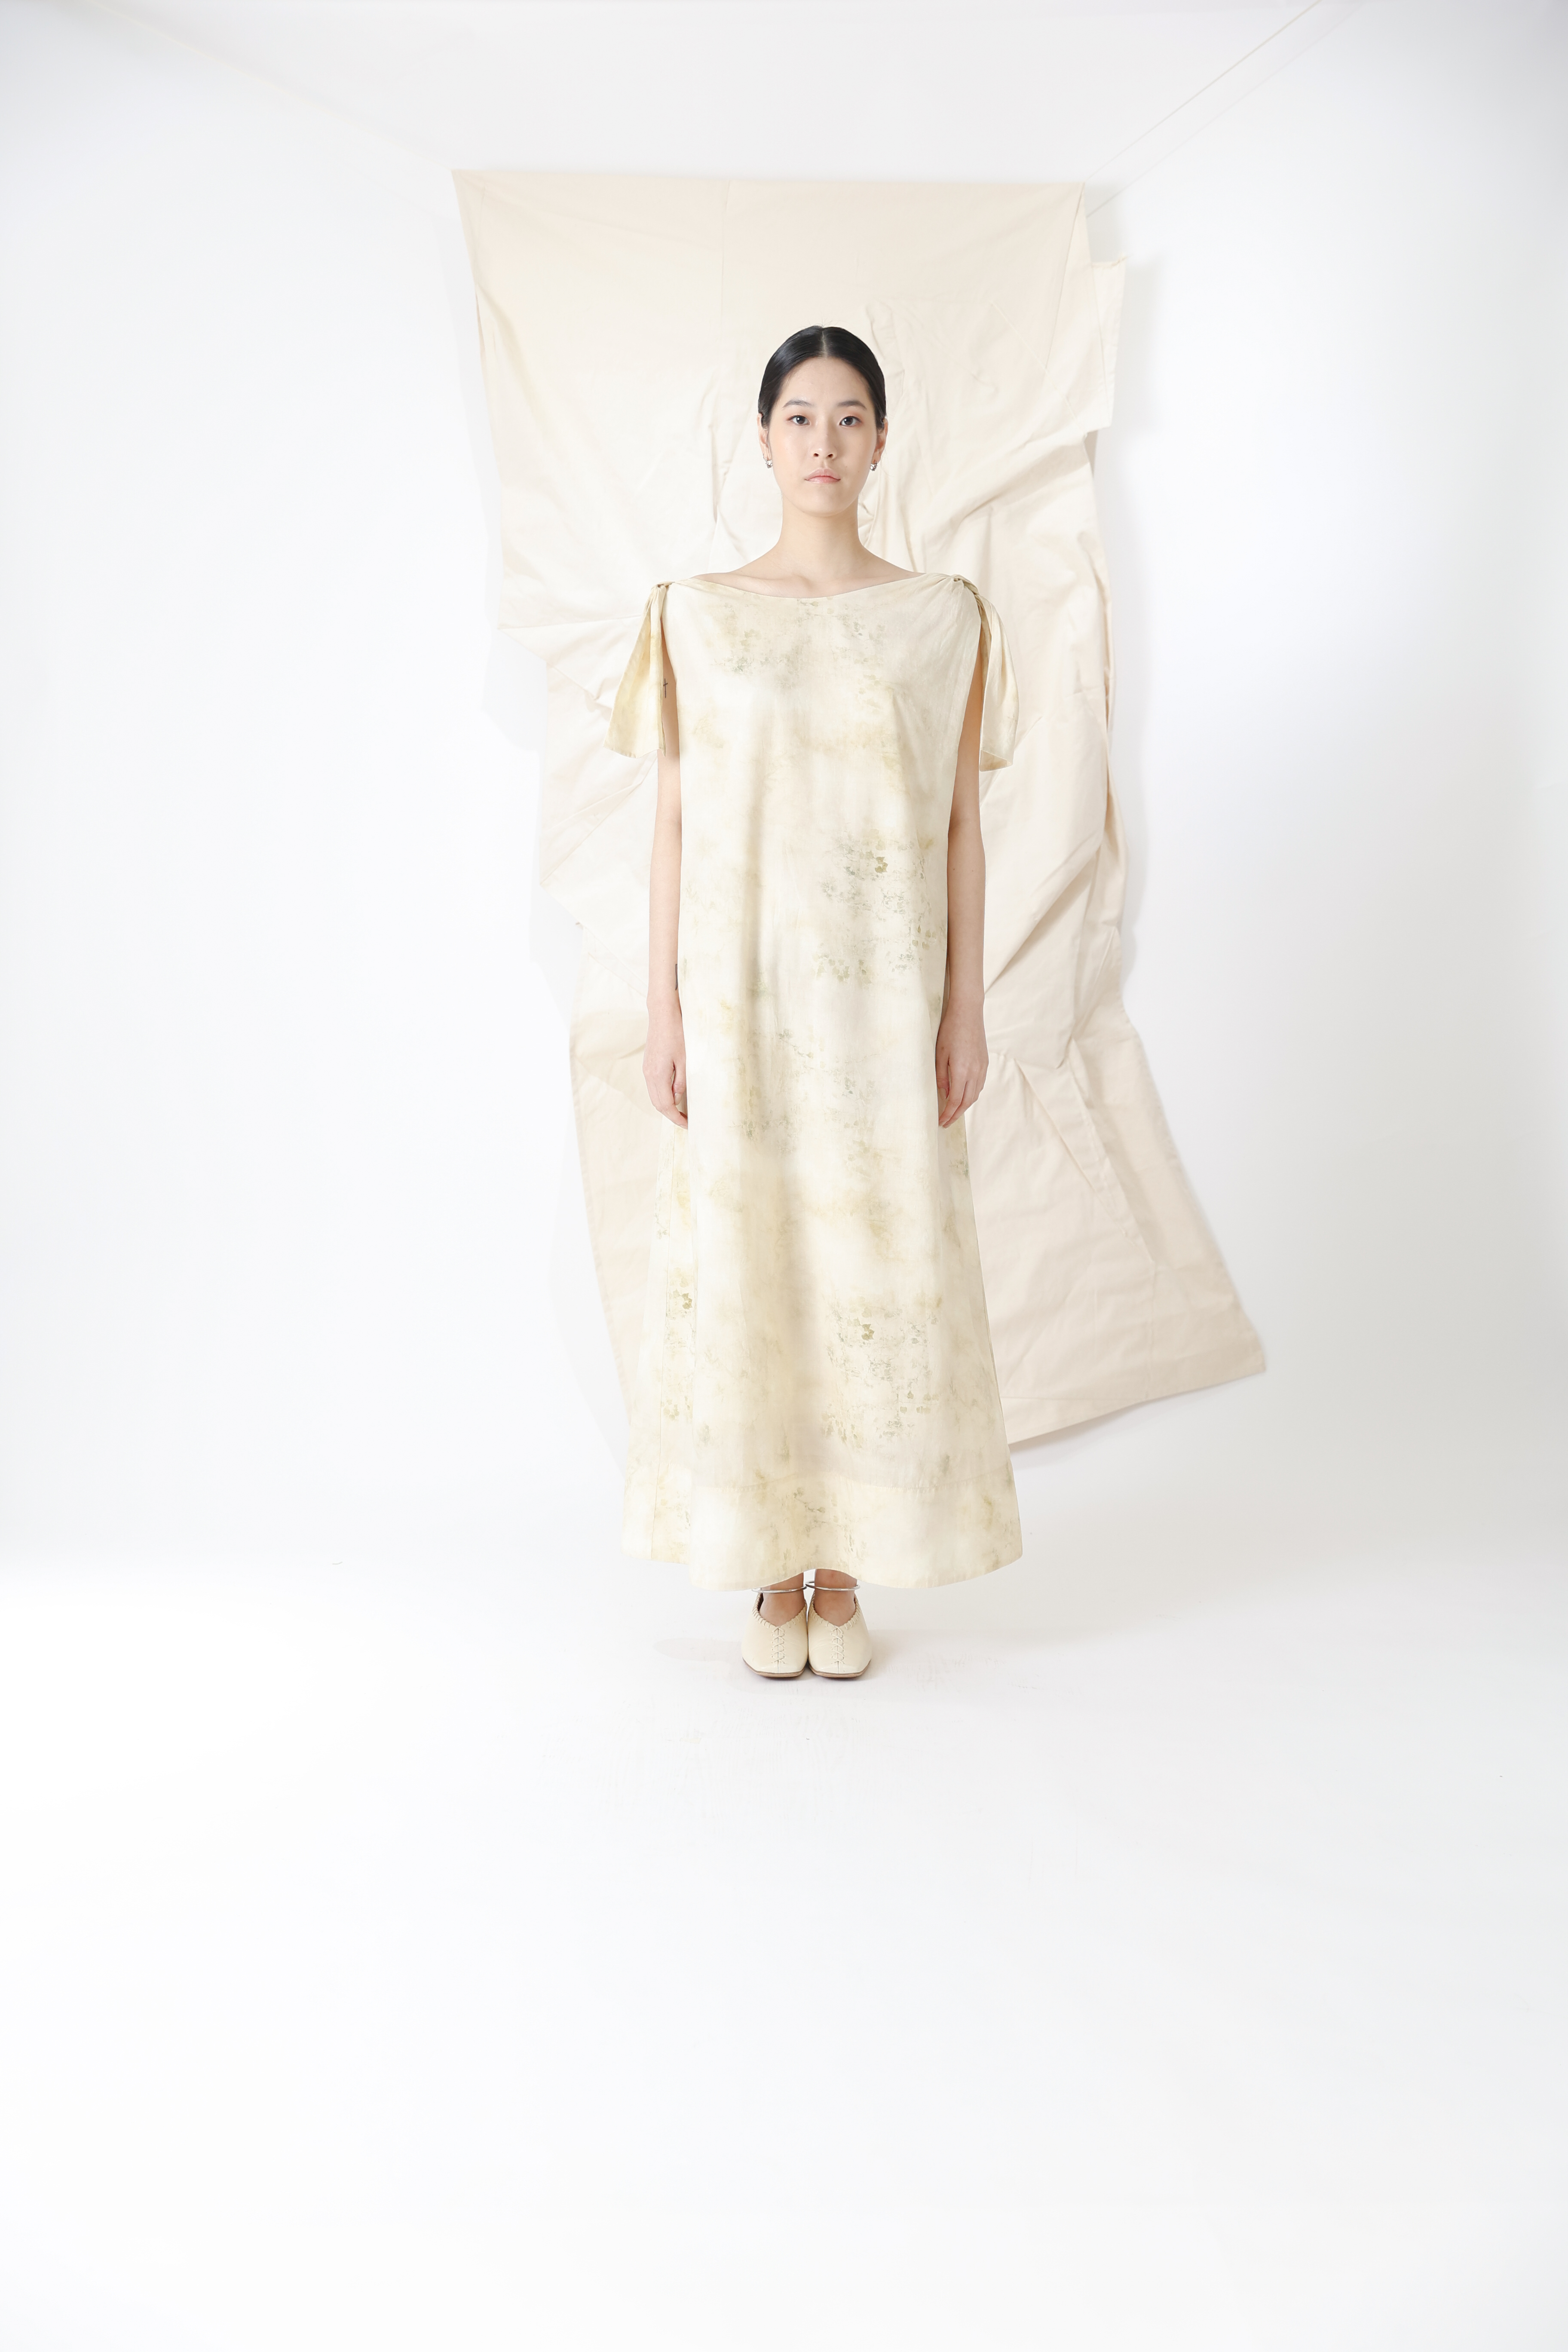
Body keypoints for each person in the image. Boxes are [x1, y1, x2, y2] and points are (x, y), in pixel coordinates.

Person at [606, 324, 1022, 1681]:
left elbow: (960, 827)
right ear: (763, 438)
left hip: (884, 1008)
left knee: (874, 1268)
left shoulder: (942, 618)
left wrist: (964, 1013)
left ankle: (843, 1573)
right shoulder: (698, 613)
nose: (824, 443)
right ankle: (765, 1564)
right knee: (755, 1260)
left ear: (883, 440)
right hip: (742, 1004)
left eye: (849, 418)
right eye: (800, 417)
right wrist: (665, 1012)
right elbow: (674, 822)